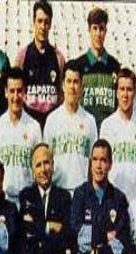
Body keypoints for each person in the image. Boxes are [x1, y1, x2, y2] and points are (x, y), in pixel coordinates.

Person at [71, 139, 132, 254]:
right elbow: (77, 235)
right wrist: (105, 236)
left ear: (110, 164)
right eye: (95, 160)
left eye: (103, 160)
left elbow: (122, 241)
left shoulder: (119, 198)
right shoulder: (80, 194)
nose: (99, 166)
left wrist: (97, 240)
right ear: (90, 163)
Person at [18, 143, 72, 254]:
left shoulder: (64, 197)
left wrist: (36, 226)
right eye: (38, 165)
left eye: (46, 163)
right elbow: (25, 230)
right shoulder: (25, 196)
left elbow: (66, 235)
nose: (43, 169)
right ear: (33, 170)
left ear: (53, 165)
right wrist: (49, 226)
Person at [0, 67, 42, 204]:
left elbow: (38, 168)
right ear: (6, 92)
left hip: (27, 201)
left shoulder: (34, 127)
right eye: (12, 91)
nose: (15, 96)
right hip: (3, 201)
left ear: (25, 92)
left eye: (19, 91)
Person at [43, 60, 97, 193]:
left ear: (82, 87)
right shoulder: (52, 120)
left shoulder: (90, 121)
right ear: (63, 85)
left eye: (76, 82)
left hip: (82, 192)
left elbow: (93, 162)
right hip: (58, 191)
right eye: (69, 81)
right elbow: (46, 158)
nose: (72, 87)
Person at [100, 67, 136, 201]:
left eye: (129, 89)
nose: (125, 94)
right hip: (111, 199)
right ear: (116, 92)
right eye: (122, 89)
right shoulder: (107, 125)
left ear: (134, 93)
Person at [14, 0, 65, 128]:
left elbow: (62, 95)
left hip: (52, 125)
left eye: (46, 22)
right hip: (28, 126)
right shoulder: (22, 56)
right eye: (40, 21)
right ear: (34, 22)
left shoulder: (59, 58)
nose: (43, 26)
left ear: (50, 24)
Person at [74, 7, 120, 128]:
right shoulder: (79, 64)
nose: (98, 34)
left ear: (106, 31)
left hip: (109, 131)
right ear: (89, 30)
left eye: (101, 28)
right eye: (95, 28)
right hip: (84, 129)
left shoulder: (114, 66)